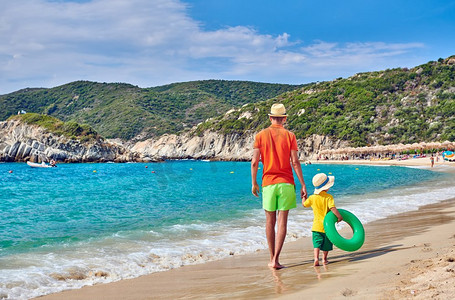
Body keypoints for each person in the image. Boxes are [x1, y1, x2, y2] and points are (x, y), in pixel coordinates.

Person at [251, 103, 307, 269]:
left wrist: (254, 182)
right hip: (286, 183)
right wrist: (303, 184)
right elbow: (295, 162)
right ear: (284, 118)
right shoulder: (290, 136)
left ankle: (270, 258)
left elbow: (254, 162)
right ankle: (276, 259)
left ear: (270, 118)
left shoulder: (260, 135)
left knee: (270, 221)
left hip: (268, 183)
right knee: (282, 221)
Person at [303, 173, 342, 266]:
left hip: (316, 227)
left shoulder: (312, 198)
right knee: (326, 246)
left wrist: (303, 197)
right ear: (326, 187)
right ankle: (324, 259)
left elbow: (304, 204)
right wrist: (339, 217)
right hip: (327, 227)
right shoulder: (329, 197)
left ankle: (316, 258)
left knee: (316, 244)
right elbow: (332, 208)